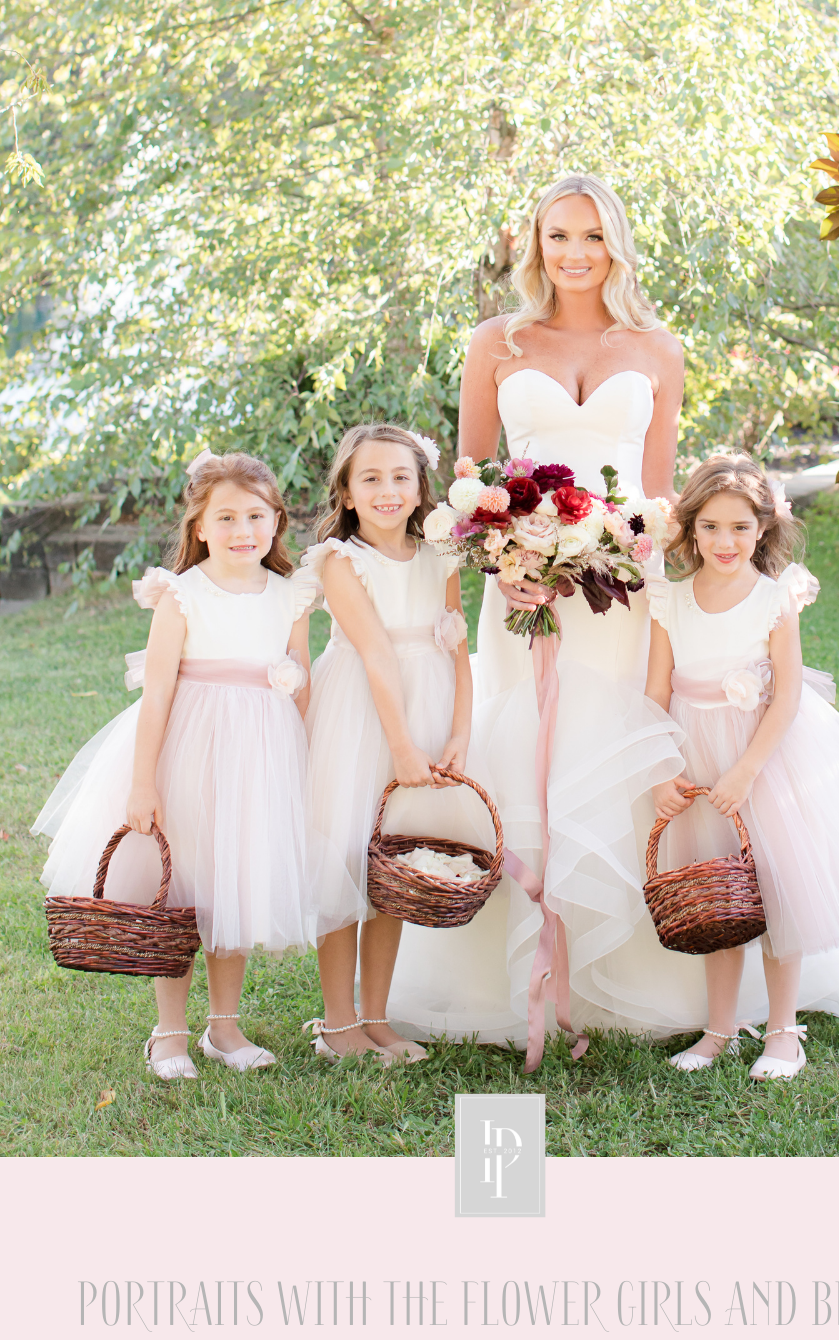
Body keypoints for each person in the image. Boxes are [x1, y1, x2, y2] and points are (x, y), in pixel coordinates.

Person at [387, 173, 708, 1047]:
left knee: (611, 749)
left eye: (593, 237)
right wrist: (506, 562)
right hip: (521, 590)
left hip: (618, 591)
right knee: (526, 745)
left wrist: (622, 545)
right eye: (558, 235)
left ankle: (621, 975)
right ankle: (522, 975)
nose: (574, 253)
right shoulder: (496, 342)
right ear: (535, 244)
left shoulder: (657, 349)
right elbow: (467, 480)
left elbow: (659, 490)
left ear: (617, 247)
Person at [644, 453, 839, 1079]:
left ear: (765, 529)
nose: (726, 541)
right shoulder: (670, 600)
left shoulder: (776, 598)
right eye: (712, 527)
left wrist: (747, 770)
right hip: (694, 755)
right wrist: (663, 770)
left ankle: (782, 1031)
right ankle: (719, 1029)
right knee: (717, 894)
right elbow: (656, 691)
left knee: (778, 890)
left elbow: (790, 694)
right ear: (691, 529)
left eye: (741, 528)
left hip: (765, 756)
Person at [32, 450, 317, 1080]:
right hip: (190, 751)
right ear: (200, 527)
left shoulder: (291, 594)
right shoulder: (181, 594)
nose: (242, 531)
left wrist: (303, 756)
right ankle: (169, 1032)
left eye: (255, 516)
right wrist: (143, 782)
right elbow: (157, 695)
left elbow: (300, 681)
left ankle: (225, 1027)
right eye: (226, 517)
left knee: (236, 881)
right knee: (182, 890)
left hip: (261, 754)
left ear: (276, 522)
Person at [297, 424, 486, 1064]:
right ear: (346, 493)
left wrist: (459, 731)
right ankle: (337, 1020)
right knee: (345, 855)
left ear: (420, 487)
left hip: (429, 703)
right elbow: (376, 654)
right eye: (370, 478)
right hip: (362, 713)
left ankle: (376, 1015)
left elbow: (457, 645)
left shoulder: (443, 554)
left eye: (401, 477)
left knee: (395, 861)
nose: (388, 490)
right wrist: (401, 747)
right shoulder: (339, 561)